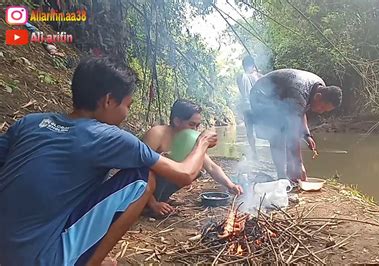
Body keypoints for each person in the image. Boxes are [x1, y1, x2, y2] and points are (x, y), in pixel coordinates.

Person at [0, 57, 217, 266]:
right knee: (142, 177)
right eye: (128, 106)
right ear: (108, 100)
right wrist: (202, 142)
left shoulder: (29, 122)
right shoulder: (108, 136)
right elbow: (185, 173)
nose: (126, 113)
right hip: (39, 259)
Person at [143, 99, 243, 217]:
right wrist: (153, 204)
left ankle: (162, 198)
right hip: (143, 186)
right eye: (191, 125)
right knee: (150, 168)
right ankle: (147, 204)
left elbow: (211, 166)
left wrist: (230, 185)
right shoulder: (157, 134)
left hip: (161, 184)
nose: (195, 130)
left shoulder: (190, 139)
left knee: (196, 168)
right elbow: (140, 170)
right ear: (177, 121)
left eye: (197, 126)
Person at [248, 68, 342, 182]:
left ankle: (289, 174)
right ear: (318, 97)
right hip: (261, 96)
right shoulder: (299, 92)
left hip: (279, 96)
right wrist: (299, 164)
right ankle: (282, 177)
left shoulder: (319, 88)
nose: (321, 111)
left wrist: (307, 135)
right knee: (277, 133)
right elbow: (292, 132)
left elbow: (301, 112)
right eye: (322, 107)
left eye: (325, 110)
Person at [236, 55, 263, 158]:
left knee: (249, 131)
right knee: (265, 128)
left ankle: (254, 153)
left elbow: (242, 92)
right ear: (253, 65)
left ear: (243, 65)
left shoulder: (240, 77)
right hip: (258, 107)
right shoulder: (260, 76)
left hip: (246, 107)